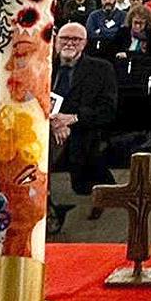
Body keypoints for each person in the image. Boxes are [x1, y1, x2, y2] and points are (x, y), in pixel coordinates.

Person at [50, 23, 119, 199]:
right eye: (65, 38)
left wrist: (73, 119)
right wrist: (55, 123)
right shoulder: (43, 67)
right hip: (46, 127)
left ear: (85, 43)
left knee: (84, 143)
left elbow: (107, 110)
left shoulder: (102, 69)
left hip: (84, 129)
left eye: (76, 39)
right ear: (56, 41)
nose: (69, 43)